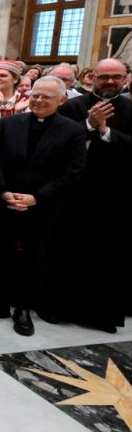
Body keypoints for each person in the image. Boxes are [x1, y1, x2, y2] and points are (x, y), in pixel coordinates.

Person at [0, 76, 86, 336]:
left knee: (34, 256)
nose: (38, 100)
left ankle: (24, 308)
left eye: (46, 96)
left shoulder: (73, 130)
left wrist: (36, 197)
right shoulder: (9, 123)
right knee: (1, 252)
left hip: (43, 206)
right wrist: (4, 192)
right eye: (35, 95)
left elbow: (73, 170)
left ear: (61, 100)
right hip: (6, 202)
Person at [56, 59, 132, 331]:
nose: (110, 82)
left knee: (110, 257)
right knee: (72, 252)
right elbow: (58, 144)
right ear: (92, 78)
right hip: (76, 194)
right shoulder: (73, 107)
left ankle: (104, 313)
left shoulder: (130, 107)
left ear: (125, 78)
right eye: (104, 77)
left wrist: (106, 131)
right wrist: (88, 125)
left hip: (117, 195)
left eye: (116, 77)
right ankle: (67, 308)